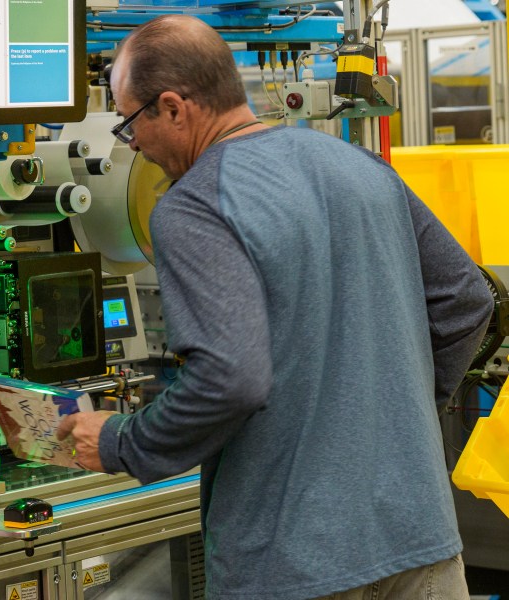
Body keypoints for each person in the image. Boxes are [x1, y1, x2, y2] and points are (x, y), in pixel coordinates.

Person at [57, 14, 494, 600]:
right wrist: (389, 414)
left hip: (295, 564)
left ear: (174, 108)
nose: (132, 143)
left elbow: (229, 379)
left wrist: (119, 442)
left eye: (130, 122)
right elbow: (467, 300)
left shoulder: (193, 205)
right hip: (422, 542)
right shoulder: (362, 168)